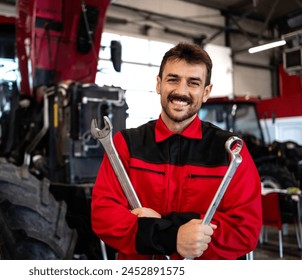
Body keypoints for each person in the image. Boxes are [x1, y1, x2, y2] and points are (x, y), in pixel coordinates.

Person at [91, 42, 262, 260]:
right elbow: (104, 217)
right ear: (159, 84)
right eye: (173, 79)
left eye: (193, 83)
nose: (181, 91)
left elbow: (244, 230)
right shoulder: (126, 144)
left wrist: (161, 226)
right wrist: (173, 236)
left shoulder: (231, 151)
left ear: (206, 92)